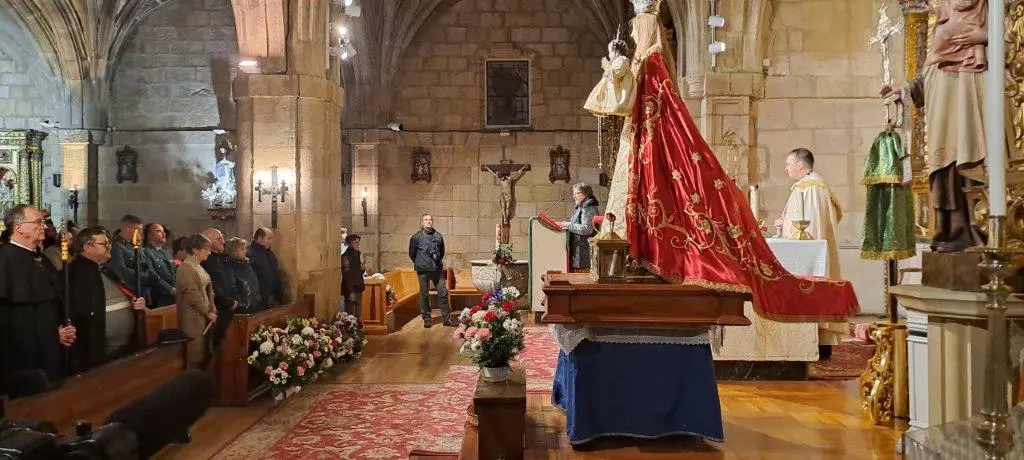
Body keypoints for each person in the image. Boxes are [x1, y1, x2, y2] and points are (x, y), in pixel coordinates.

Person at [600, 0, 858, 321]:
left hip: (646, 139)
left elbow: (626, 94)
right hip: (642, 138)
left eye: (639, 32)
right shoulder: (654, 71)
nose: (637, 37)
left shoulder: (650, 66)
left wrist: (617, 64)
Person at [881, 0, 1019, 252]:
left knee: (985, 165)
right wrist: (906, 90)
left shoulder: (1000, 16)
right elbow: (928, 74)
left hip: (983, 109)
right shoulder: (943, 24)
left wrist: (988, 37)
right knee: (947, 169)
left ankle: (991, 234)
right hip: (945, 114)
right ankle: (955, 233)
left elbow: (1016, 54)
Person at [0, 205, 75, 397]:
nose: (44, 226)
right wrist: (52, 335)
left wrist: (62, 329)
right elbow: (14, 320)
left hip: (51, 349)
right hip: (24, 356)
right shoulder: (4, 260)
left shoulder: (41, 259)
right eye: (37, 222)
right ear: (18, 227)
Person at [65, 226, 147, 373]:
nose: (109, 246)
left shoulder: (105, 269)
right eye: (104, 244)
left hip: (124, 348)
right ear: (87, 247)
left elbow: (127, 293)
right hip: (98, 354)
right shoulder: (73, 274)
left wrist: (136, 303)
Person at [775, 148, 843, 277]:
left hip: (807, 251)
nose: (786, 168)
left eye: (788, 164)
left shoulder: (811, 188)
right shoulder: (810, 185)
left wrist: (785, 225)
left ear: (799, 165)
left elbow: (809, 226)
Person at [175, 234, 216, 369]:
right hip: (193, 316)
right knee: (194, 353)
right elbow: (193, 294)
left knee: (204, 352)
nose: (209, 252)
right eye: (206, 249)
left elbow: (208, 289)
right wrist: (207, 312)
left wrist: (212, 308)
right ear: (195, 250)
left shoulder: (198, 266)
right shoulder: (186, 268)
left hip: (204, 314)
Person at [408, 214, 452, 327]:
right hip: (422, 270)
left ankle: (447, 319)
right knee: (424, 294)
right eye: (426, 220)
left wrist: (435, 261)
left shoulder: (438, 236)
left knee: (443, 292)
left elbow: (442, 252)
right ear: (422, 223)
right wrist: (421, 262)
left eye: (430, 220)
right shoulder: (416, 237)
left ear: (432, 222)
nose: (428, 221)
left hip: (437, 269)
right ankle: (427, 318)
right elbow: (412, 254)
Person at [583, 31, 636, 117]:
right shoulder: (615, 62)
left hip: (620, 86)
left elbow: (619, 72)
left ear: (616, 51)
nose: (609, 55)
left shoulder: (623, 59)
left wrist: (608, 67)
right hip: (611, 86)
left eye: (610, 52)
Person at [560, 183, 599, 272]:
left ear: (586, 194)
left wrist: (566, 224)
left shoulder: (588, 208)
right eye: (574, 193)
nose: (574, 196)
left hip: (584, 253)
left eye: (577, 193)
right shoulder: (580, 207)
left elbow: (586, 229)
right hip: (578, 251)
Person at [224, 237, 264, 313]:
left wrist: (258, 300)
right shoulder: (229, 267)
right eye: (242, 249)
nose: (245, 251)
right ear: (233, 251)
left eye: (245, 248)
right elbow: (232, 290)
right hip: (242, 310)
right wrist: (242, 305)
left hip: (256, 306)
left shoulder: (247, 264)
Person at [141, 223, 176, 307]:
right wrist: (170, 289)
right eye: (159, 231)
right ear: (149, 235)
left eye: (163, 231)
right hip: (158, 299)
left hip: (173, 297)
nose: (164, 234)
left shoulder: (168, 252)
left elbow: (174, 271)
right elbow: (152, 274)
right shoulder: (144, 252)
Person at [247, 227, 282, 307]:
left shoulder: (270, 253)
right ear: (259, 238)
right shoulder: (249, 253)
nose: (271, 242)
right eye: (269, 238)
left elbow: (275, 274)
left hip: (272, 297)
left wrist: (277, 296)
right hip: (259, 300)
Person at [341, 234, 366, 319]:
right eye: (355, 243)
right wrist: (350, 291)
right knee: (351, 312)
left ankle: (358, 329)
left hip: (358, 285)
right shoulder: (345, 256)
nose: (357, 245)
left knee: (358, 312)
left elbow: (361, 271)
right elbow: (346, 274)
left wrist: (362, 263)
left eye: (358, 243)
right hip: (350, 287)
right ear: (350, 243)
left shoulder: (359, 254)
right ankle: (352, 331)